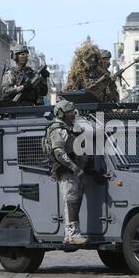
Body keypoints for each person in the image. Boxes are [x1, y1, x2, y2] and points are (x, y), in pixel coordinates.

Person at [43, 100, 88, 245]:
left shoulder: (67, 126)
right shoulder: (57, 129)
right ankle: (72, 235)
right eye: (69, 112)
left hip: (73, 169)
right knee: (71, 201)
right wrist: (74, 168)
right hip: (66, 170)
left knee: (74, 200)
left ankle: (71, 235)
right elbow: (59, 152)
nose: (72, 114)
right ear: (61, 113)